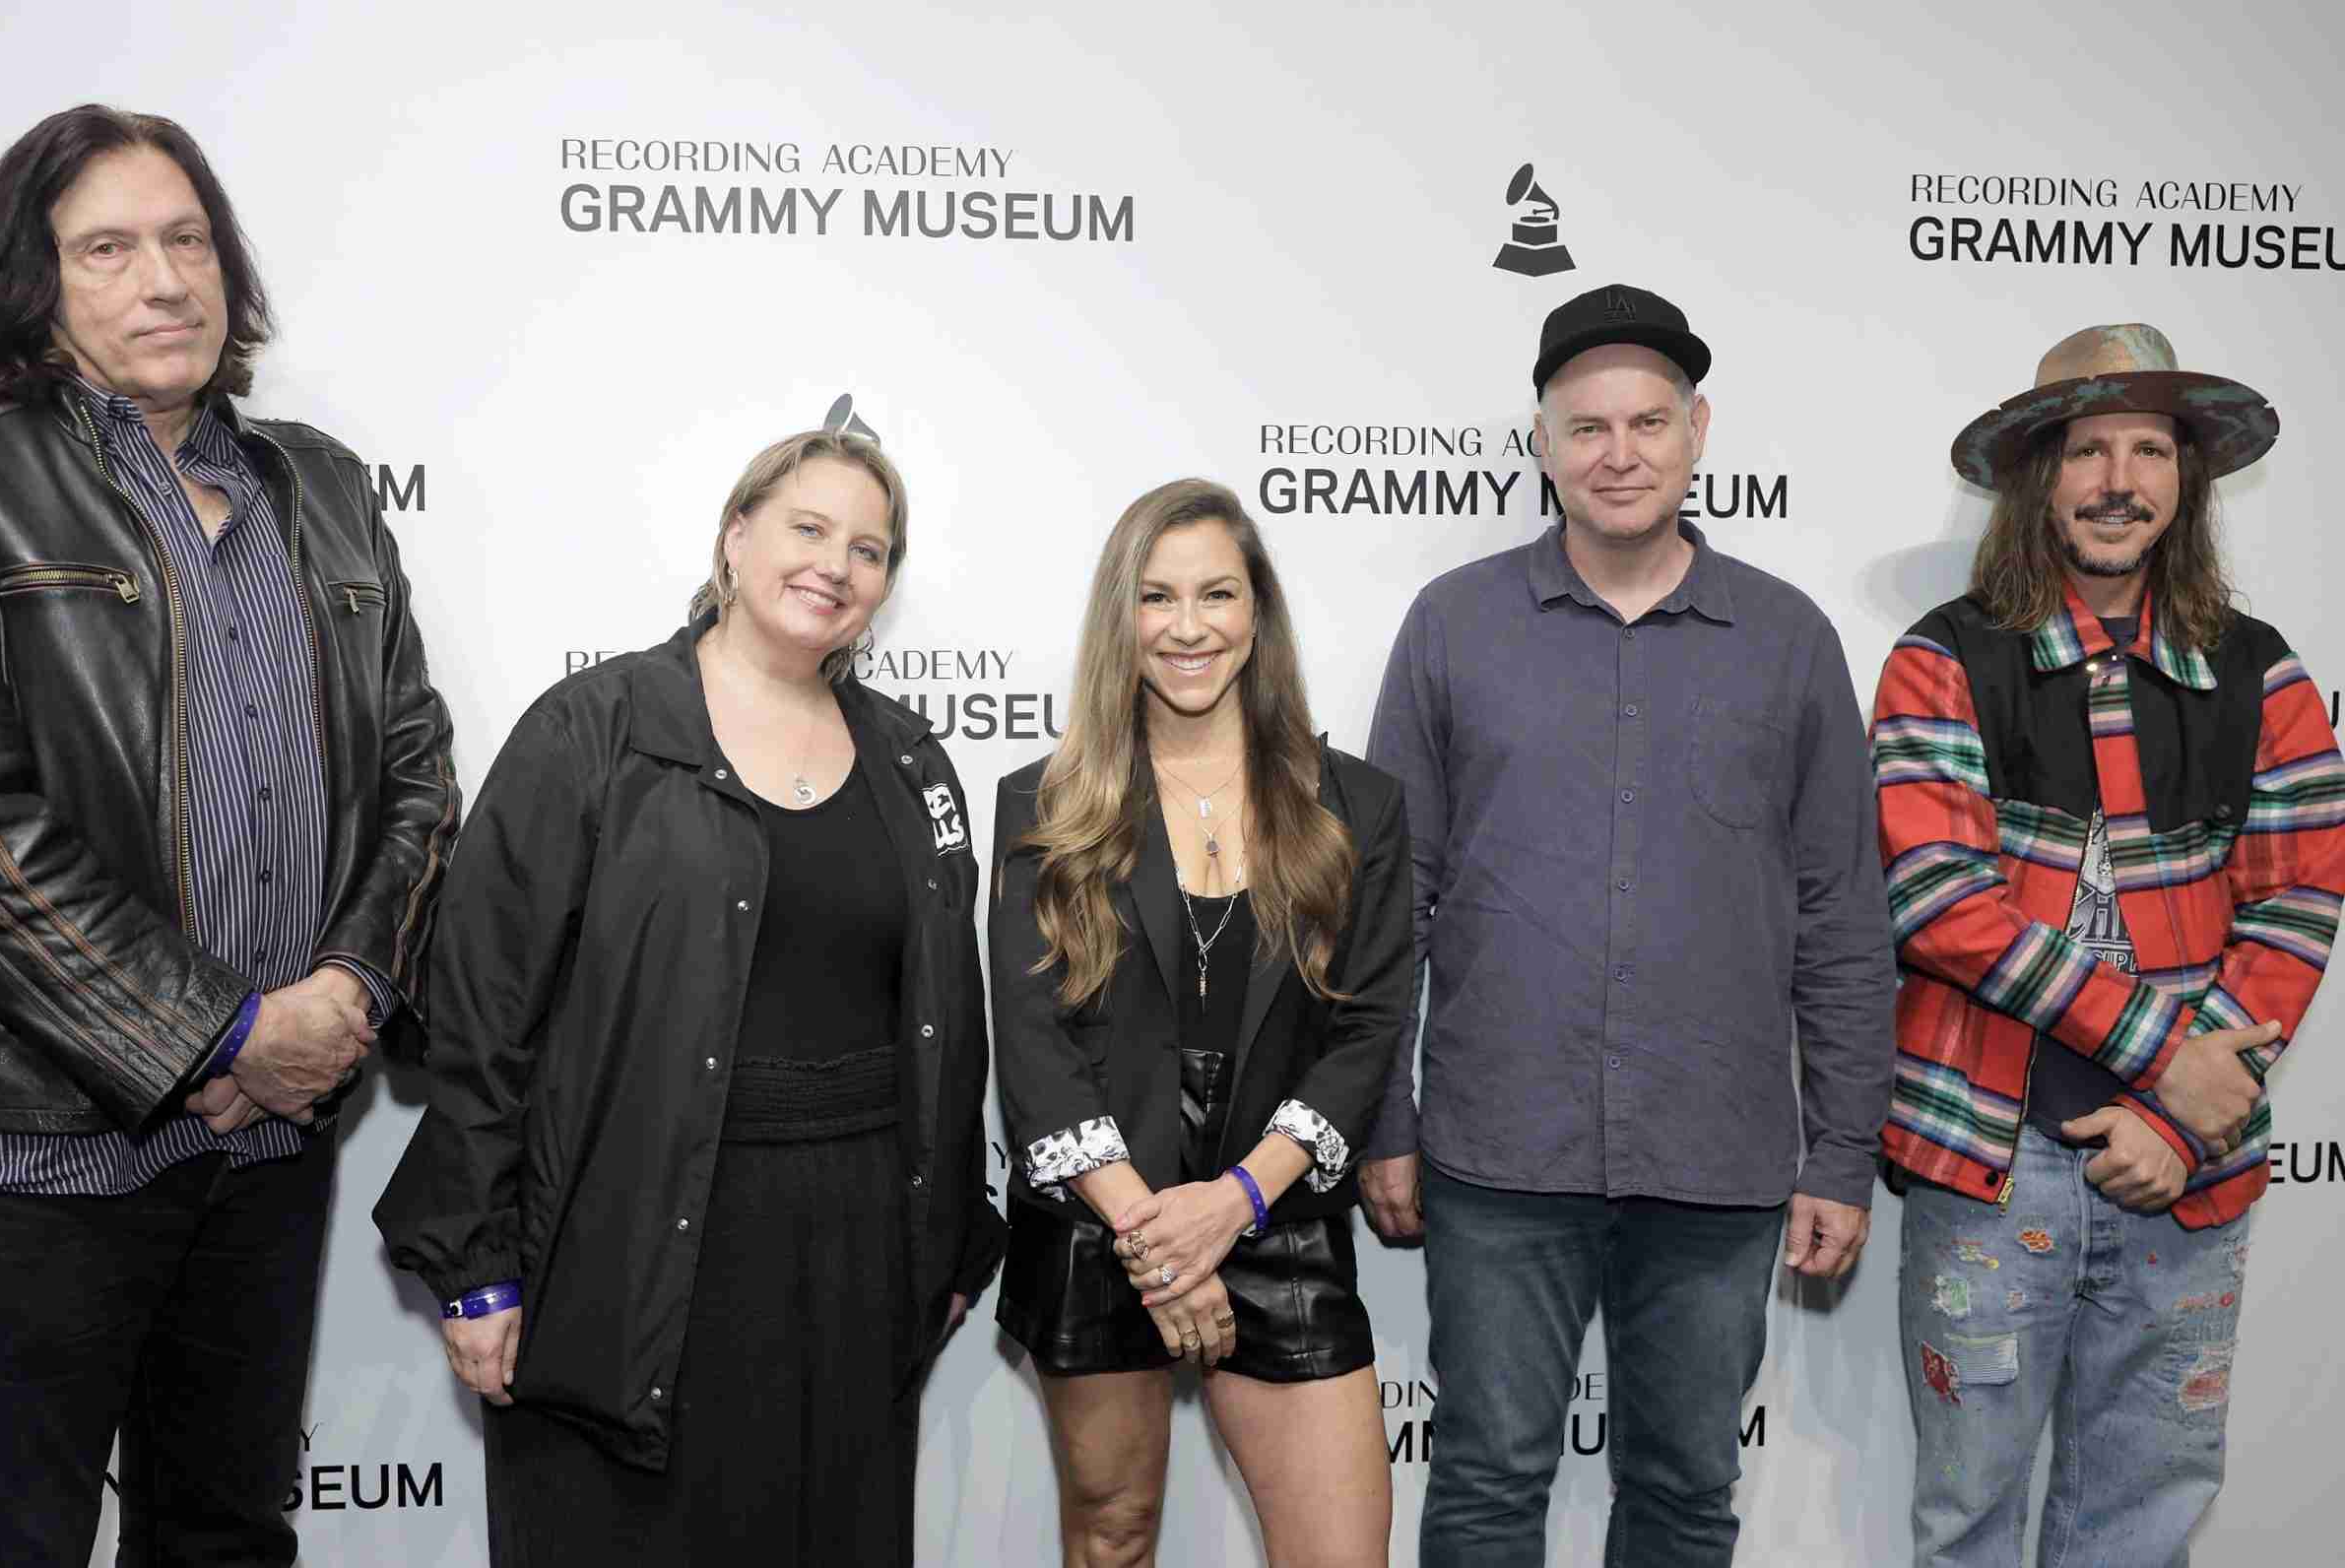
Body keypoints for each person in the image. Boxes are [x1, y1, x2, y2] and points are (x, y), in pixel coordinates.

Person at [0, 104, 459, 1565]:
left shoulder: (327, 485)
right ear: (34, 284)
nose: (164, 280)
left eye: (188, 241)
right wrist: (223, 1032)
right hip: (42, 1143)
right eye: (107, 249)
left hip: (269, 1147)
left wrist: (344, 998)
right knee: (15, 1544)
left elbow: (417, 772)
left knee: (229, 1535)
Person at [373, 427, 1004, 1566]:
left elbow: (945, 1022)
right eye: (808, 527)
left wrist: (950, 1242)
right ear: (735, 537)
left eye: (869, 548)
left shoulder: (913, 760)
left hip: (852, 1258)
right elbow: (479, 1016)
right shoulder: (595, 731)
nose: (836, 564)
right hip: (626, 1248)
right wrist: (474, 1270)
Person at [1361, 283, 1899, 1566]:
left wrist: (1841, 1149)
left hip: (1716, 1158)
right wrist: (1385, 1116)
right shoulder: (1454, 625)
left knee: (1682, 1492)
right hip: (1499, 1153)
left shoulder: (1786, 640)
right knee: (1485, 1482)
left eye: (1647, 422)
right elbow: (1389, 900)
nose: (1618, 452)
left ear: (1697, 431)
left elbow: (1840, 911)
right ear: (1542, 442)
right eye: (1587, 425)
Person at [1874, 323, 2342, 1565]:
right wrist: (2169, 1057)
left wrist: (2184, 1116)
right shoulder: (1940, 658)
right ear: (2039, 475)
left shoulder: (2264, 672)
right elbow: (1936, 900)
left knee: (2142, 1527)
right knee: (1965, 1518)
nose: (2116, 480)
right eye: (2086, 449)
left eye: (2147, 448)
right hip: (1988, 1160)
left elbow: (2298, 898)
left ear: (2186, 480)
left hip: (2188, 1175)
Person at [992, 478, 1412, 1567]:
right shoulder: (1042, 804)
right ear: (1118, 618)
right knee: (1114, 1535)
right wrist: (1155, 1239)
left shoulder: (1356, 805)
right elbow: (1034, 1042)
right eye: (1156, 596)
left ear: (1257, 612)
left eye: (1217, 593)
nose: (1188, 627)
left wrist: (1233, 1202)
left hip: (1273, 1202)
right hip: (1101, 1212)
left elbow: (1365, 1029)